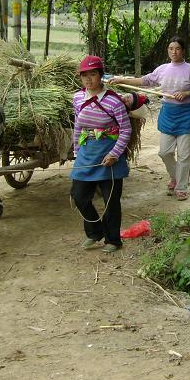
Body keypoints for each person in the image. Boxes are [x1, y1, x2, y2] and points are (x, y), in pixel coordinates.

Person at [110, 36, 190, 201]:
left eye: (177, 49)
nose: (174, 52)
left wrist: (187, 93)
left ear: (183, 51)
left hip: (186, 114)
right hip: (168, 113)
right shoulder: (162, 69)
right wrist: (121, 79)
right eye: (171, 48)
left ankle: (181, 187)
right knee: (164, 152)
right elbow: (145, 80)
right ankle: (175, 176)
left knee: (184, 154)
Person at [70, 55, 131, 254]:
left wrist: (114, 154)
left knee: (111, 201)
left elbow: (126, 129)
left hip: (109, 155)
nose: (88, 79)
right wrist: (77, 152)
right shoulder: (78, 97)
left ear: (101, 76)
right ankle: (94, 232)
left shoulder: (114, 101)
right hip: (87, 153)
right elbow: (78, 125)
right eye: (84, 76)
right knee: (78, 197)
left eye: (93, 74)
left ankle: (113, 240)